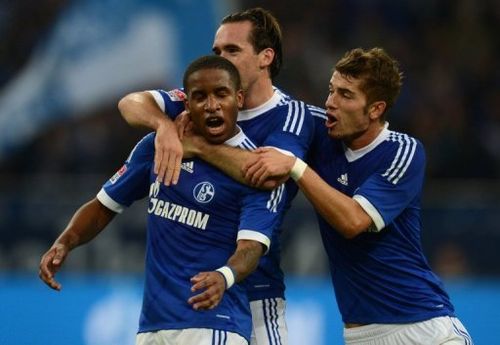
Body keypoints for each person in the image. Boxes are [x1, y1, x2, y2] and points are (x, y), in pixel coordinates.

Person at [39, 55, 287, 345]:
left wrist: (224, 277)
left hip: (213, 324)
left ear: (239, 99)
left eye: (221, 94)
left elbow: (251, 249)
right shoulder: (158, 147)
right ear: (187, 104)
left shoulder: (256, 170)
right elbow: (104, 206)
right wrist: (65, 242)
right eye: (200, 97)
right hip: (152, 326)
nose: (211, 105)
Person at [243, 47, 474, 345]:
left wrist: (296, 166)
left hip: (422, 328)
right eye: (331, 90)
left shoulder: (402, 151)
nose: (330, 103)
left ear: (376, 109)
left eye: (346, 95)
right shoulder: (319, 129)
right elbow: (274, 106)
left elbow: (354, 221)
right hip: (359, 335)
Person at [118, 7, 317, 345]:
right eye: (218, 51)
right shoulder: (197, 99)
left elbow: (266, 174)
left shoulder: (290, 116)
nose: (221, 58)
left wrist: (197, 147)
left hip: (256, 293)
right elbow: (130, 103)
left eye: (233, 50)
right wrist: (164, 125)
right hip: (196, 300)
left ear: (265, 57)